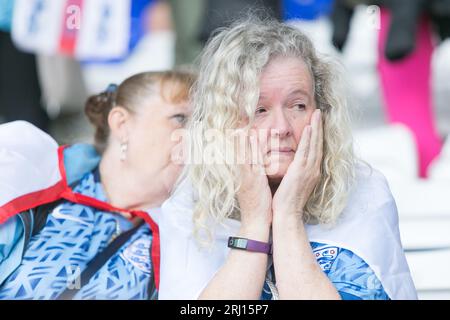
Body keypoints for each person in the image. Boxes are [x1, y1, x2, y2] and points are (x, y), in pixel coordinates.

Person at [156, 19, 417, 300]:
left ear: (322, 114)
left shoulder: (363, 191)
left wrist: (288, 217)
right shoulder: (192, 205)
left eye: (298, 106)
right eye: (259, 109)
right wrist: (255, 221)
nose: (281, 127)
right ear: (223, 122)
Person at [0, 70, 195, 299]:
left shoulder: (189, 243)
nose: (195, 136)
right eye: (180, 118)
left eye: (203, 125)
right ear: (122, 124)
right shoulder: (33, 179)